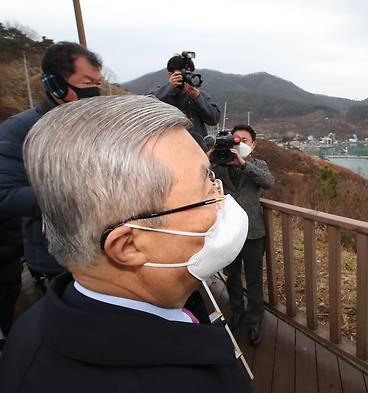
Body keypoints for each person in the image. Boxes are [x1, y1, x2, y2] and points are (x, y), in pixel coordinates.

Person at [0, 95, 252, 393]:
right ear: (128, 246)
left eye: (212, 177)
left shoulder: (34, 325)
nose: (221, 200)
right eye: (206, 190)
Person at [0, 42, 103, 284]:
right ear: (55, 85)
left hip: (106, 251)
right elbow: (5, 194)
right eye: (87, 83)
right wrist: (80, 198)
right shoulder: (20, 130)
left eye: (98, 84)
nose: (95, 92)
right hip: (56, 261)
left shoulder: (100, 126)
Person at [212, 125, 274, 346]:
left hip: (253, 232)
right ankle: (237, 312)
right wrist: (209, 155)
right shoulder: (218, 165)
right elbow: (198, 178)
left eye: (245, 140)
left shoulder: (258, 165)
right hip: (228, 232)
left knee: (255, 279)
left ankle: (255, 321)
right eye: (236, 141)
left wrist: (244, 164)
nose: (240, 145)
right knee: (232, 276)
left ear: (253, 144)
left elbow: (268, 182)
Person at [150, 53, 221, 149]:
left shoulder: (199, 95)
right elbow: (147, 104)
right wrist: (169, 87)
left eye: (190, 73)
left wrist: (198, 98)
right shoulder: (162, 92)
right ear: (171, 74)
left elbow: (214, 119)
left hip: (197, 149)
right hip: (169, 149)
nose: (187, 76)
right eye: (183, 74)